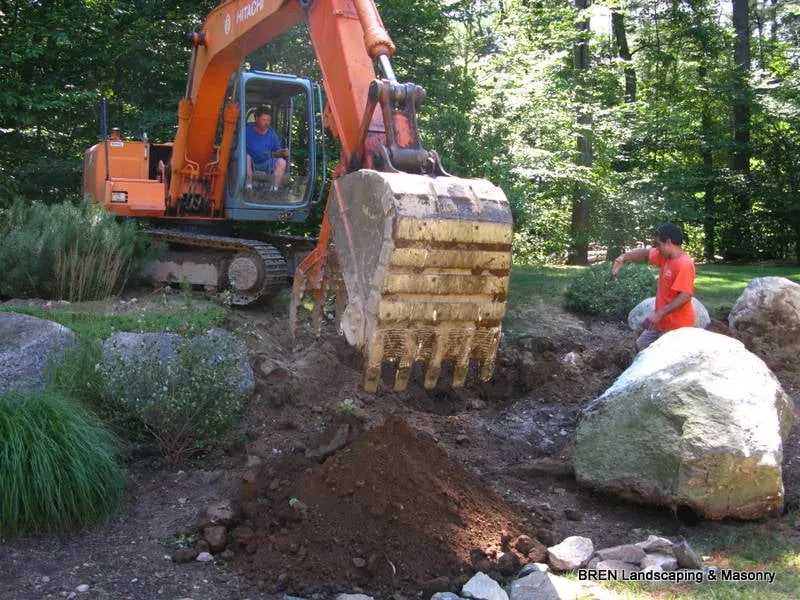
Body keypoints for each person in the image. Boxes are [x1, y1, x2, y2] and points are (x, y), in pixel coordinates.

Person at [611, 222, 696, 351]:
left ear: (668, 242)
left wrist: (660, 313)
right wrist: (623, 257)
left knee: (664, 358)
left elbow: (685, 296)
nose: (656, 248)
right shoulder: (666, 256)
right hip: (661, 323)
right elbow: (645, 252)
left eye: (658, 244)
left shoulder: (684, 264)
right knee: (641, 344)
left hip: (677, 326)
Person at [245, 107, 288, 190]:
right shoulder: (246, 129)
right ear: (256, 118)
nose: (266, 123)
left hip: (266, 163)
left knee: (282, 162)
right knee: (246, 157)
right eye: (264, 120)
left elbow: (276, 152)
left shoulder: (272, 133)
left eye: (268, 120)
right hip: (249, 163)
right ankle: (248, 188)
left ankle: (273, 191)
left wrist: (282, 152)